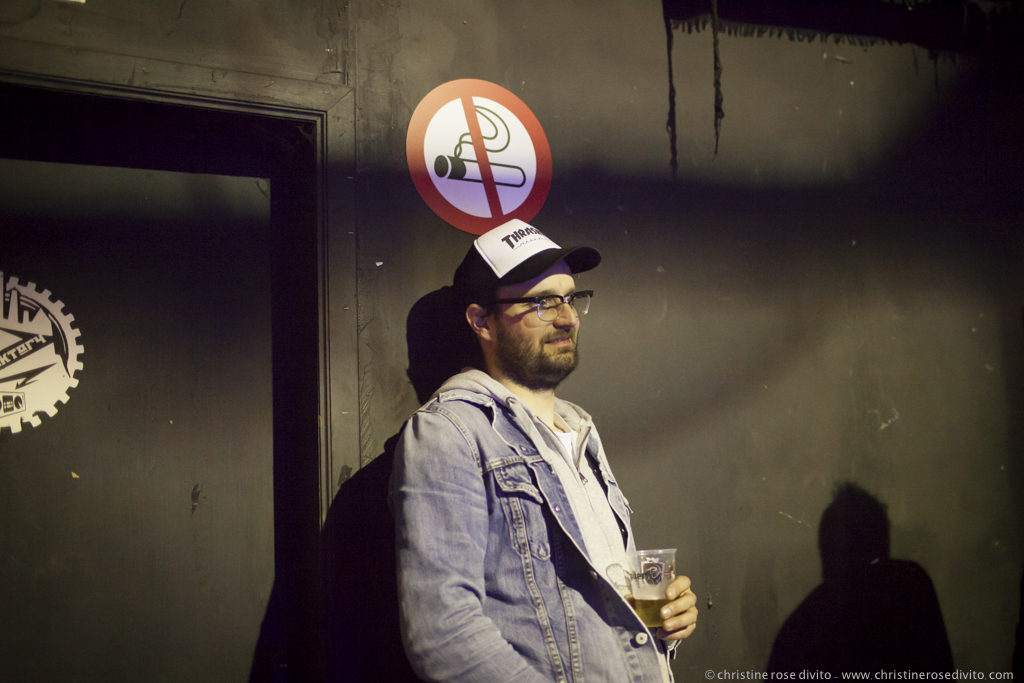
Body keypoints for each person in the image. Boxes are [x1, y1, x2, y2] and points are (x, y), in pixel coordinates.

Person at [389, 219, 698, 683]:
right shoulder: (449, 432)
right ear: (481, 321)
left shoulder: (579, 430)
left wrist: (664, 622)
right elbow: (444, 634)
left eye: (571, 299)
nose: (568, 317)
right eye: (542, 303)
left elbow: (593, 610)